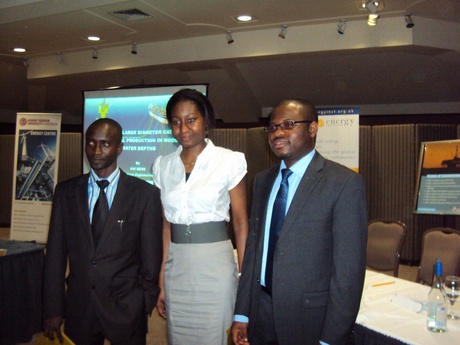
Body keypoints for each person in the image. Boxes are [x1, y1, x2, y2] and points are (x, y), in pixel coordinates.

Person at [231, 99, 367, 345]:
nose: (278, 133)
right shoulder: (262, 181)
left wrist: (332, 339)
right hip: (260, 312)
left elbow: (348, 273)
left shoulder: (343, 183)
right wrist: (242, 311)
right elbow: (253, 251)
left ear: (313, 129)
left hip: (309, 320)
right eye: (272, 127)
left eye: (288, 124)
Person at [43, 118, 163, 345]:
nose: (96, 151)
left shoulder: (144, 194)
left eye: (105, 144)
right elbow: (55, 256)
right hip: (80, 307)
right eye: (91, 143)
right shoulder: (66, 192)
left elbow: (151, 256)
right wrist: (53, 308)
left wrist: (143, 301)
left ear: (119, 148)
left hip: (126, 307)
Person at [152, 88, 249, 344]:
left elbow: (240, 223)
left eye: (191, 120)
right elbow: (165, 226)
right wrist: (162, 278)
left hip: (215, 266)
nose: (183, 128)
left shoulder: (228, 161)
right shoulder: (163, 165)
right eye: (176, 122)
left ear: (206, 121)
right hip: (177, 266)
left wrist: (245, 278)